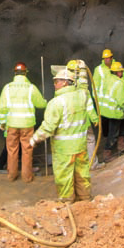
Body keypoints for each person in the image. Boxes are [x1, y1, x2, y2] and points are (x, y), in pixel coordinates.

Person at [30, 67, 93, 203]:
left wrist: (34, 139)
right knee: (82, 174)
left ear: (65, 82)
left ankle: (67, 201)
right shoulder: (82, 96)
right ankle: (85, 199)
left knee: (64, 176)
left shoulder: (56, 103)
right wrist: (82, 71)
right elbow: (84, 86)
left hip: (64, 150)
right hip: (81, 147)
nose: (54, 84)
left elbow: (48, 127)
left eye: (57, 81)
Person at [0, 62, 47, 183]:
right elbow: (40, 104)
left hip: (12, 124)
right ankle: (27, 177)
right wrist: (45, 101)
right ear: (25, 73)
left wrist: (3, 123)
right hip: (27, 125)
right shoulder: (31, 88)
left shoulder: (7, 88)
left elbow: (2, 107)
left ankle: (12, 176)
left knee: (12, 150)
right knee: (27, 150)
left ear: (15, 73)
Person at [66, 59, 100, 169]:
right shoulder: (82, 88)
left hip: (69, 120)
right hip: (82, 119)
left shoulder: (63, 85)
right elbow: (89, 105)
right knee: (90, 139)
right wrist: (95, 119)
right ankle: (92, 164)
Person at [97, 61, 124, 161]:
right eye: (121, 71)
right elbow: (121, 100)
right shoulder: (118, 83)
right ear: (118, 72)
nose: (122, 73)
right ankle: (107, 153)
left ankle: (120, 143)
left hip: (105, 110)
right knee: (113, 133)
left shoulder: (108, 79)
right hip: (113, 111)